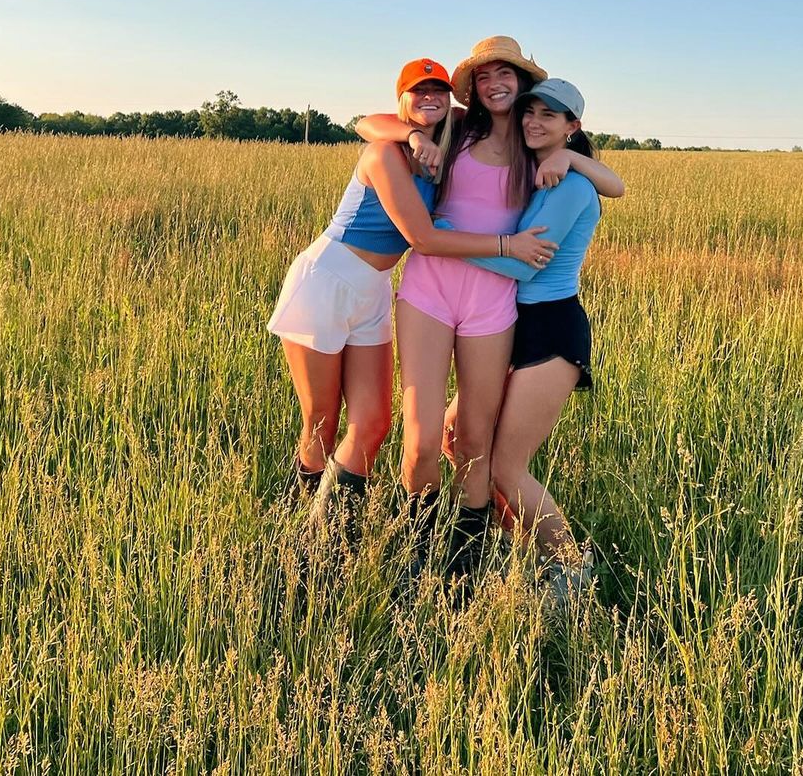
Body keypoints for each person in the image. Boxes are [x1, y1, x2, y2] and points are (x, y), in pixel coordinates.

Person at [355, 37, 622, 582]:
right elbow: (370, 123)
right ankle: (417, 554)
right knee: (424, 437)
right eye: (483, 76)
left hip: (496, 304)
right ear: (473, 88)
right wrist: (413, 135)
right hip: (430, 291)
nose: (495, 84)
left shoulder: (536, 149)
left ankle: (465, 565)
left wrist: (569, 155)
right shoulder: (456, 128)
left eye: (506, 74)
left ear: (522, 85)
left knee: (476, 442)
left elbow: (611, 186)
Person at [265, 56, 557, 531]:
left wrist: (566, 157)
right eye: (418, 91)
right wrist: (414, 136)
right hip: (327, 282)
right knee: (321, 418)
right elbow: (418, 230)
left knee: (374, 423)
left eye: (438, 90)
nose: (429, 98)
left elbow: (526, 131)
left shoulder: (455, 132)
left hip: (374, 291)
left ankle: (340, 531)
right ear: (401, 100)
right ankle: (305, 530)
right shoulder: (385, 152)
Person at [445, 78, 623, 599]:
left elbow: (524, 265)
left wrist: (441, 238)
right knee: (455, 435)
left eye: (550, 115)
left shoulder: (572, 186)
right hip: (514, 322)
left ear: (572, 126)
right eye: (530, 111)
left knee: (506, 465)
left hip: (551, 329)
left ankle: (572, 571)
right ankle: (512, 543)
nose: (534, 121)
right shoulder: (541, 172)